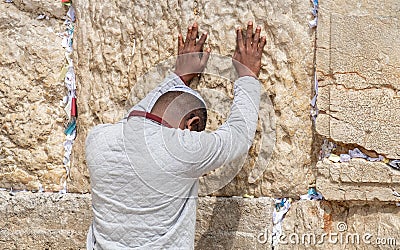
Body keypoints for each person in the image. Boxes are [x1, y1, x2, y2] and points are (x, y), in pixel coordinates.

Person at [86, 21, 266, 249]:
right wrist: (247, 76)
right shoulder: (181, 149)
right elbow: (239, 135)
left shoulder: (98, 139)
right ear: (191, 125)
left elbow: (136, 119)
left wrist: (178, 77)